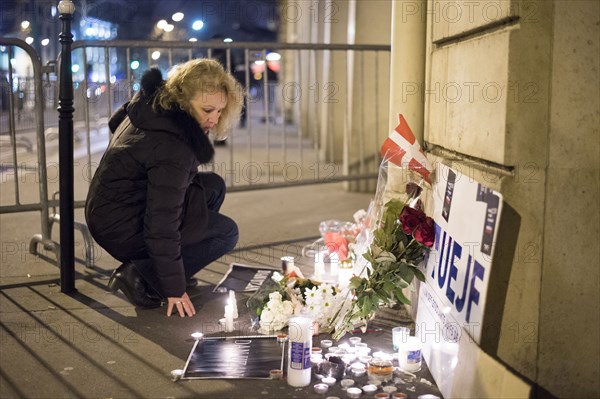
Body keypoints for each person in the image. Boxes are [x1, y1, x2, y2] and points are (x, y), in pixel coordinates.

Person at [85, 59, 243, 317]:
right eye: (207, 110)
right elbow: (161, 223)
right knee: (226, 232)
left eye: (219, 111)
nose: (214, 119)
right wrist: (173, 287)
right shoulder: (173, 146)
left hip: (109, 207)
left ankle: (167, 265)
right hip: (119, 226)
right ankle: (141, 277)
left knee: (213, 187)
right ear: (183, 100)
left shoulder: (153, 103)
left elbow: (116, 123)